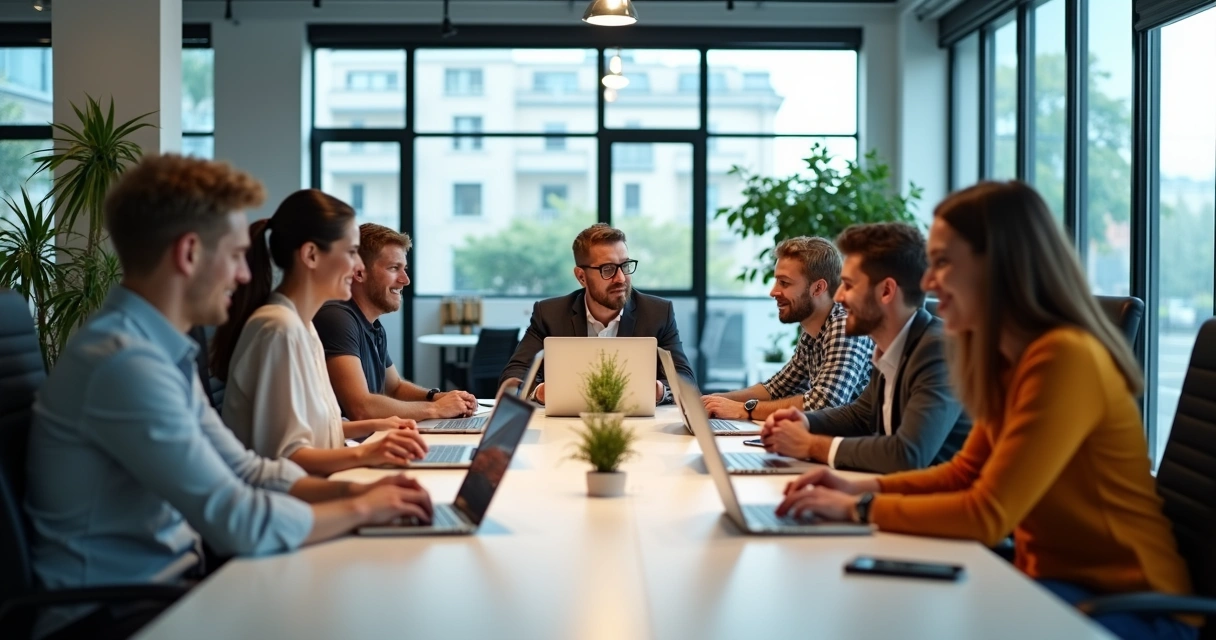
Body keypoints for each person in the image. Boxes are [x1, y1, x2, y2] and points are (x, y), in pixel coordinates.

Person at [24, 155, 433, 639]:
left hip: (167, 590)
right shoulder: (124, 362)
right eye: (236, 255)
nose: (244, 275)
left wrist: (357, 491)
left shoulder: (158, 350)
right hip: (116, 616)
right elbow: (238, 520)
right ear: (190, 254)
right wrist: (365, 510)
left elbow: (246, 470)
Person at [777, 182, 1197, 640]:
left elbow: (987, 514)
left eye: (943, 263)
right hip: (1048, 584)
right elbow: (964, 474)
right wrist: (859, 486)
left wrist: (859, 506)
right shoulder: (1004, 360)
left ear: (996, 267)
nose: (930, 282)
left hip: (1130, 608)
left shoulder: (1064, 358)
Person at [212, 190, 429, 476]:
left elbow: (317, 428)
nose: (359, 267)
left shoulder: (304, 326)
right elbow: (286, 458)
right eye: (352, 252)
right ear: (311, 255)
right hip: (286, 503)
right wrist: (368, 452)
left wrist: (378, 426)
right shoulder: (279, 330)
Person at [760, 223, 970, 473]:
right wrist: (804, 421)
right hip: (899, 495)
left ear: (886, 291)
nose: (838, 297)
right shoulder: (892, 347)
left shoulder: (939, 351)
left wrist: (811, 445)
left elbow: (908, 454)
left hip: (941, 505)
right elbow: (860, 414)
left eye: (848, 285)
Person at [499, 223, 696, 404]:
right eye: (608, 269)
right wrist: (540, 391)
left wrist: (660, 390)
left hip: (639, 426)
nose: (621, 278)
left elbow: (686, 380)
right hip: (564, 427)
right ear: (581, 277)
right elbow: (514, 376)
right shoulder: (549, 314)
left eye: (625, 266)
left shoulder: (657, 313)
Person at [314, 223, 477, 421]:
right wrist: (435, 410)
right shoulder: (336, 318)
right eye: (394, 268)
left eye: (404, 269)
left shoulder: (372, 325)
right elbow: (361, 408)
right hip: (346, 447)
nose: (405, 280)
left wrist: (438, 398)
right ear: (358, 273)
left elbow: (395, 388)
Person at [701, 236, 873, 422]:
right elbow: (777, 388)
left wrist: (745, 410)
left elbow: (824, 403)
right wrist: (714, 401)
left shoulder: (844, 325)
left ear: (818, 288)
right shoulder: (813, 329)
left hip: (857, 445)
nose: (773, 291)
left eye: (784, 283)